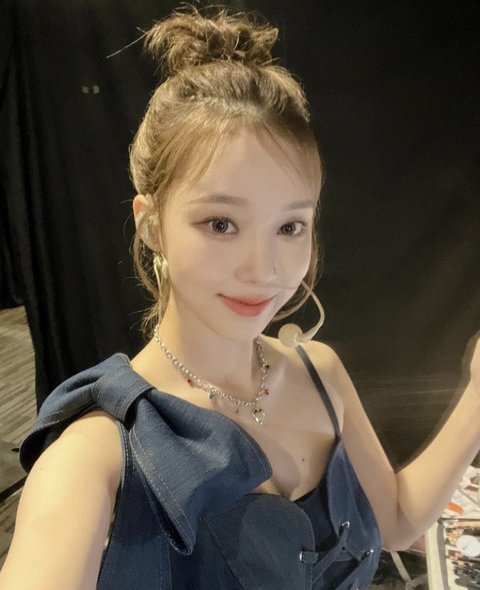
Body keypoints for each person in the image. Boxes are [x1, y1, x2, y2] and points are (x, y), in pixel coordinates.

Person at [1, 5, 479, 590]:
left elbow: (398, 520)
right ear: (152, 225)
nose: (265, 269)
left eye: (290, 227)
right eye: (221, 223)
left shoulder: (320, 372)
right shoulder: (96, 456)